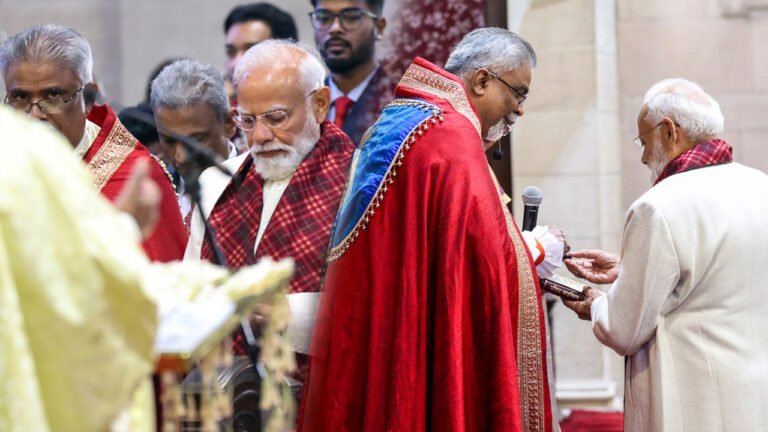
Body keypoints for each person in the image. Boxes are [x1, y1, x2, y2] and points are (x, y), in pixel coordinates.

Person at [300, 28, 557, 432]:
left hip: (375, 329)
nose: (520, 110)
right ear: (482, 80)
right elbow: (483, 261)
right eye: (518, 93)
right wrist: (537, 248)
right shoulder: (453, 138)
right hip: (410, 333)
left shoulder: (399, 118)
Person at [562, 78, 768, 431]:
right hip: (755, 395)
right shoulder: (760, 185)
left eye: (644, 142)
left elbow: (624, 330)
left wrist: (595, 303)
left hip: (695, 401)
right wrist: (630, 271)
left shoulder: (657, 206)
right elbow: (716, 276)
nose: (644, 157)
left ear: (670, 131)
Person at [185, 40, 355, 358]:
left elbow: (383, 303)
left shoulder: (364, 183)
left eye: (276, 118)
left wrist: (293, 313)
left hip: (321, 378)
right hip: (223, 380)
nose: (260, 136)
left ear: (320, 104)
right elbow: (189, 291)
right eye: (247, 121)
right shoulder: (216, 182)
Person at [0, 24, 187, 262]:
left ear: (88, 98)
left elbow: (151, 278)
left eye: (53, 96)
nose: (34, 114)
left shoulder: (136, 179)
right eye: (20, 97)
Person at [150, 59, 239, 220]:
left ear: (229, 123)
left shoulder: (259, 190)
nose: (181, 158)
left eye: (195, 141)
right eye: (169, 141)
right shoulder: (152, 198)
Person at [310, 0, 391, 146]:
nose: (334, 28)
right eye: (323, 18)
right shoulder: (303, 102)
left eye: (351, 17)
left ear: (379, 27)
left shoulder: (402, 103)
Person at [224, 2, 298, 103]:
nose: (235, 63)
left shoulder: (309, 108)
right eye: (230, 52)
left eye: (250, 51)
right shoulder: (223, 108)